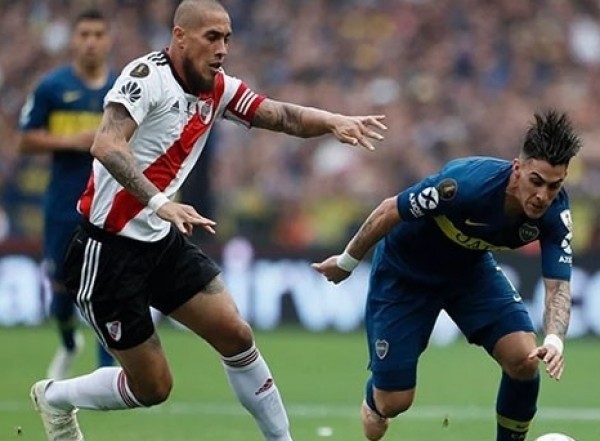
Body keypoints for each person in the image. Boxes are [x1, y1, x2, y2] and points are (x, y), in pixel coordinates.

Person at [28, 1, 386, 440]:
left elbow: (281, 116)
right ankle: (55, 397)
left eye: (227, 39)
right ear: (180, 37)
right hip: (107, 251)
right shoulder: (146, 78)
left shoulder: (218, 88)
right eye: (212, 37)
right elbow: (106, 145)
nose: (222, 49)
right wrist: (160, 202)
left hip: (159, 241)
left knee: (235, 334)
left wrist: (332, 121)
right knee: (153, 387)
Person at [312, 110, 580, 441]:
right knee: (393, 403)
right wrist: (347, 262)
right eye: (536, 181)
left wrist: (554, 339)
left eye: (554, 185)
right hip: (405, 274)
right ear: (517, 168)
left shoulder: (555, 213)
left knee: (524, 360)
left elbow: (558, 286)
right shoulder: (465, 185)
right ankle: (376, 398)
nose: (543, 196)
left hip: (470, 273)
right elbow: (389, 210)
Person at [18, 8, 115, 381]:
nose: (91, 42)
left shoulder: (122, 88)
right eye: (84, 34)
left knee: (107, 286)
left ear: (108, 40)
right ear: (74, 40)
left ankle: (105, 372)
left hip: (107, 204)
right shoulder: (52, 87)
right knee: (61, 289)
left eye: (97, 34)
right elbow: (26, 139)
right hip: (62, 204)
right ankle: (69, 341)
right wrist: (72, 140)